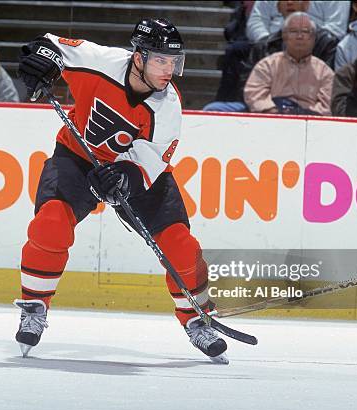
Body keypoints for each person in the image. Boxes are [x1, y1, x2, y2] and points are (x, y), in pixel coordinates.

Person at [13, 18, 229, 363]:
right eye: (160, 60)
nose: (168, 70)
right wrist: (42, 62)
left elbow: (152, 160)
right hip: (77, 156)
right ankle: (35, 307)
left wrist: (126, 177)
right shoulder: (99, 61)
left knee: (180, 245)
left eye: (173, 62)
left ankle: (197, 319)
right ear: (139, 57)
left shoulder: (167, 106)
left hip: (135, 172)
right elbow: (49, 43)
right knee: (50, 223)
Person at [205, 0, 338, 112]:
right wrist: (270, 108)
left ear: (306, 5)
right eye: (292, 32)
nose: (290, 2)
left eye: (304, 32)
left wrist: (301, 113)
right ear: (278, 7)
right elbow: (249, 88)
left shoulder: (326, 47)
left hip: (309, 116)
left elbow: (328, 99)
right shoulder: (264, 47)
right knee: (213, 109)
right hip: (266, 110)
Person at [244, 12, 334, 115]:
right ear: (284, 36)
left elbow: (327, 105)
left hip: (311, 125)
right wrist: (277, 113)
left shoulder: (325, 72)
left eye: (305, 32)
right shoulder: (266, 66)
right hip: (273, 121)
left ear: (314, 38)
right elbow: (255, 96)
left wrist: (304, 117)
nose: (299, 36)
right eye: (293, 31)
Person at [246, 0, 350, 42]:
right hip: (271, 42)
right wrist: (268, 42)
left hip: (314, 44)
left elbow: (336, 29)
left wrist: (301, 38)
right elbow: (255, 21)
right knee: (236, 50)